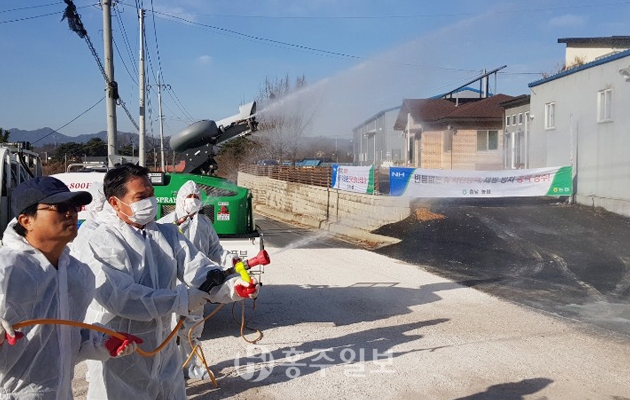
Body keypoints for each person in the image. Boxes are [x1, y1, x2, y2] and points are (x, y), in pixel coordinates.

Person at [74, 164, 259, 400]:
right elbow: (121, 297)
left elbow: (199, 268)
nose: (149, 202)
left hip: (164, 347)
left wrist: (232, 287)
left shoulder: (166, 234)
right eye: (140, 197)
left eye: (151, 194)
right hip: (123, 350)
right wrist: (183, 299)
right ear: (115, 202)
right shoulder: (101, 240)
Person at [0, 176, 141, 399]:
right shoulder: (6, 268)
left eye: (74, 207)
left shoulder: (78, 274)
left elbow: (66, 336)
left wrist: (102, 341)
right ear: (26, 221)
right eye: (59, 207)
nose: (71, 213)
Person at [158, 180, 226, 380]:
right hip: (172, 286)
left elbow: (215, 249)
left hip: (198, 284)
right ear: (181, 199)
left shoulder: (204, 223)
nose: (193, 200)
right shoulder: (166, 224)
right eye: (189, 197)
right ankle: (167, 369)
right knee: (169, 330)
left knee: (193, 329)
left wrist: (229, 259)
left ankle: (191, 367)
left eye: (196, 197)